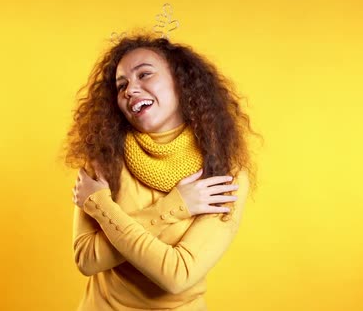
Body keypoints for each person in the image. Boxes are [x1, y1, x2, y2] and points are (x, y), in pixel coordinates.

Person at [65, 32, 255, 310]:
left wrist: (100, 205)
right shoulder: (104, 158)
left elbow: (179, 275)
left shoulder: (223, 171)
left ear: (182, 83)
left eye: (144, 75)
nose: (130, 89)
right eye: (121, 85)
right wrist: (177, 207)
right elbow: (87, 259)